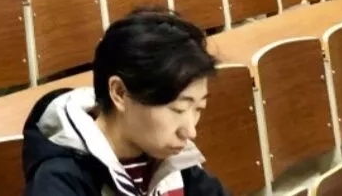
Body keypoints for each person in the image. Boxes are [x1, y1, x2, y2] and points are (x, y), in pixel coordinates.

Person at [22, 11, 226, 196]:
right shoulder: (59, 181)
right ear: (119, 92)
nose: (190, 132)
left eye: (199, 109)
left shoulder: (174, 164)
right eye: (178, 109)